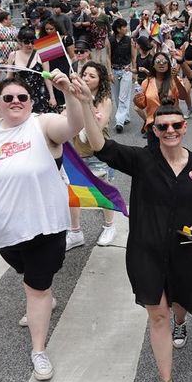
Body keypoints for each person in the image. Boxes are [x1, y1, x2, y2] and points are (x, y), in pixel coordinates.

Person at [79, 96, 192, 382]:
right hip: (145, 251)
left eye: (176, 125)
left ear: (184, 126)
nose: (170, 131)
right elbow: (101, 147)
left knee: (179, 304)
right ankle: (166, 381)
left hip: (181, 250)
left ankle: (181, 323)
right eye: (162, 126)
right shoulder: (141, 159)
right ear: (153, 129)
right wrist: (84, 103)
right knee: (158, 314)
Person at [0, 71, 85, 382]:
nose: (16, 102)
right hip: (3, 231)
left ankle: (38, 350)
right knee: (27, 275)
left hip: (44, 227)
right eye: (8, 98)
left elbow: (74, 126)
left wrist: (68, 93)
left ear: (30, 102)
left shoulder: (42, 125)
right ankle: (42, 295)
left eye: (22, 97)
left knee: (36, 287)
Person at [67, 61, 118, 249]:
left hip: (99, 155)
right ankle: (74, 232)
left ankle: (109, 226)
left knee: (104, 191)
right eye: (85, 74)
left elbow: (97, 128)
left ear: (100, 80)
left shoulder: (104, 100)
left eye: (92, 76)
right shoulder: (74, 95)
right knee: (71, 193)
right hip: (76, 153)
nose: (87, 78)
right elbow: (65, 118)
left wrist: (86, 103)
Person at [135, 52, 189, 147]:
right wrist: (136, 100)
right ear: (153, 65)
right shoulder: (146, 82)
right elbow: (141, 105)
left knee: (170, 156)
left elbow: (183, 96)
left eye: (164, 61)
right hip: (154, 126)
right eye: (158, 61)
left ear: (168, 64)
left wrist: (175, 78)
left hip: (171, 126)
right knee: (154, 156)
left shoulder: (174, 80)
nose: (161, 63)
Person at [9, 27, 57, 113]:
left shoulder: (42, 54)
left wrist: (52, 97)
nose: (30, 45)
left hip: (39, 95)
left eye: (32, 42)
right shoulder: (13, 55)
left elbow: (47, 77)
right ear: (20, 42)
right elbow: (9, 77)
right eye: (27, 42)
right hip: (20, 96)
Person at [107, 18, 136, 133]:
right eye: (124, 26)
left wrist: (134, 72)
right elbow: (108, 57)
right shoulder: (110, 40)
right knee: (117, 95)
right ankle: (125, 116)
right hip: (114, 70)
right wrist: (109, 72)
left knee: (123, 96)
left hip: (126, 70)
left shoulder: (130, 40)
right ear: (118, 29)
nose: (126, 28)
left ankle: (119, 122)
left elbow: (134, 57)